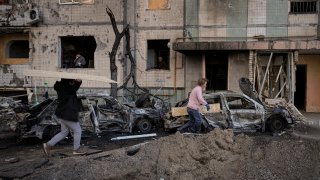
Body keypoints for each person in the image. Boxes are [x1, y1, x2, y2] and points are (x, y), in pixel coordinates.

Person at [43, 78, 86, 156]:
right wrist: (78, 82)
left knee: (64, 132)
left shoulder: (60, 87)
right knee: (78, 130)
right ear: (69, 82)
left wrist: (75, 82)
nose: (73, 83)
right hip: (68, 114)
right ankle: (76, 149)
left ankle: (48, 145)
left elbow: (72, 89)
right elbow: (74, 88)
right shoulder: (67, 89)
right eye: (72, 81)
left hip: (63, 114)